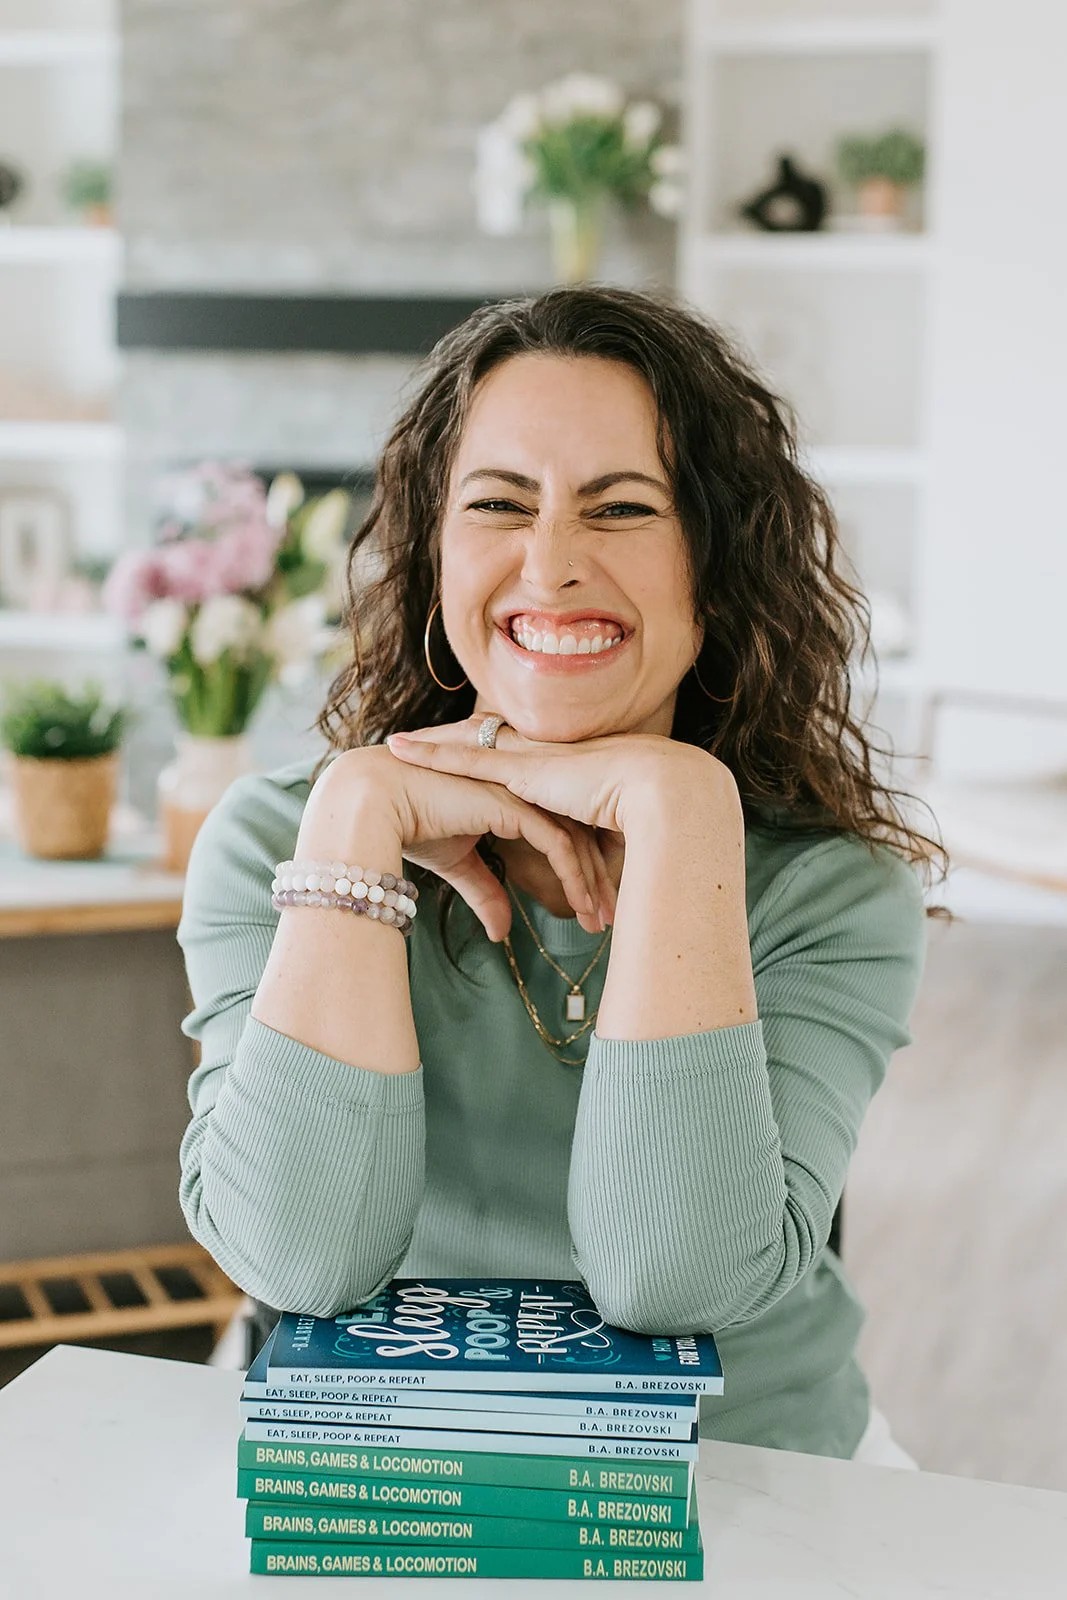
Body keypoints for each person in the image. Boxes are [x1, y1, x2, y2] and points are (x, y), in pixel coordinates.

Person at [177, 286, 936, 1468]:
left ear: (716, 564)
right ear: (434, 555)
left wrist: (681, 814)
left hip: (749, 1472)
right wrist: (356, 817)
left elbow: (672, 1281)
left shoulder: (832, 890)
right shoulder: (285, 835)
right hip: (389, 1475)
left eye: (620, 507)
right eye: (496, 504)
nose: (550, 564)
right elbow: (297, 1261)